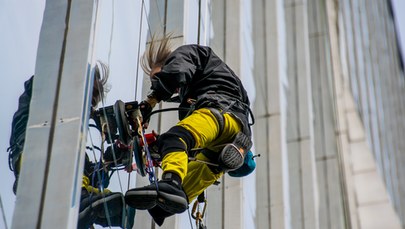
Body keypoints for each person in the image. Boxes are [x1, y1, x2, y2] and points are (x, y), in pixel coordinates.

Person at [124, 35, 255, 226]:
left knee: (176, 138)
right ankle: (160, 206)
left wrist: (150, 102)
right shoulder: (194, 92)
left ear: (167, 63)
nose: (157, 84)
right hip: (232, 138)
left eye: (157, 78)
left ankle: (172, 182)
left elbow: (175, 71)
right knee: (190, 176)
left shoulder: (189, 54)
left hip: (220, 113)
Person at [7, 61, 131, 229]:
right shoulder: (46, 91)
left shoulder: (75, 145)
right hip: (34, 155)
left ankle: (103, 211)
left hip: (59, 187)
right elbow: (44, 78)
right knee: (70, 147)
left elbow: (92, 176)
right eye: (91, 94)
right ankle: (82, 201)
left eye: (94, 103)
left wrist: (113, 156)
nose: (91, 106)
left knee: (119, 204)